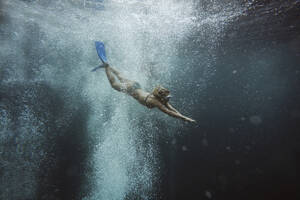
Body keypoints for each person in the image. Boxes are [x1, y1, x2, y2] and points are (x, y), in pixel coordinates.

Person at [93, 41, 196, 123]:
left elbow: (172, 109)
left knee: (121, 78)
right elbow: (169, 113)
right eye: (166, 98)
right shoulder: (156, 102)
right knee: (114, 85)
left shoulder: (161, 100)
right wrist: (184, 119)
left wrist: (184, 117)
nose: (168, 101)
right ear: (161, 98)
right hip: (132, 88)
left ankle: (109, 66)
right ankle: (106, 67)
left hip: (136, 85)